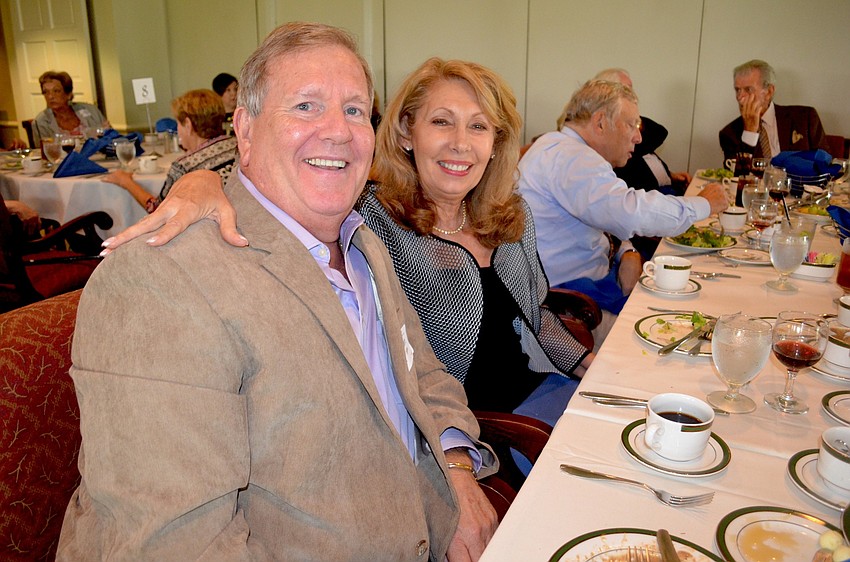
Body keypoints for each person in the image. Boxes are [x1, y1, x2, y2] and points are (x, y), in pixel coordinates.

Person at [58, 22, 497, 561]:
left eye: (355, 109)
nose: (338, 130)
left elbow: (425, 375)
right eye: (306, 106)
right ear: (244, 130)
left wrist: (457, 470)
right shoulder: (161, 281)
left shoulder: (363, 245)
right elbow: (178, 544)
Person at [97, 57, 596, 427]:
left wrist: (585, 364)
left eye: (479, 127)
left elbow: (535, 313)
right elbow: (280, 174)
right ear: (406, 132)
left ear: (496, 143)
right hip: (473, 425)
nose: (461, 144)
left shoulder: (510, 216)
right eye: (441, 122)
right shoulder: (370, 218)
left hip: (538, 389)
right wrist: (199, 181)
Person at [517, 79, 727, 343]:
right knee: (677, 336)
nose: (638, 137)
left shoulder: (558, 146)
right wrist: (703, 204)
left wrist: (627, 251)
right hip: (570, 309)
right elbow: (629, 212)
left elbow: (605, 214)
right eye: (632, 125)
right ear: (601, 122)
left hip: (577, 292)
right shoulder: (574, 158)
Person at [594, 68, 693, 260]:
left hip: (665, 202)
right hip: (651, 218)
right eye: (627, 90)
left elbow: (659, 133)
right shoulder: (611, 147)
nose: (637, 138)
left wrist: (670, 175)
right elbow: (622, 212)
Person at [100, 89, 237, 213]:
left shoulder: (184, 166)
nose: (178, 130)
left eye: (178, 123)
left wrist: (126, 182)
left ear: (188, 125)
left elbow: (159, 210)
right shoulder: (236, 146)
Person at [594, 68, 691, 196]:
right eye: (626, 89)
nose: (633, 94)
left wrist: (670, 175)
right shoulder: (611, 136)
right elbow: (658, 134)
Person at [719, 59, 829, 161]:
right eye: (737, 90)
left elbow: (826, 164)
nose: (740, 97)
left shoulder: (805, 118)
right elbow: (736, 176)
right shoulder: (729, 133)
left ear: (769, 92)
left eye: (748, 89)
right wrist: (750, 131)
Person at [32, 71, 109, 147]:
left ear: (68, 94)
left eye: (56, 91)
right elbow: (43, 153)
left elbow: (109, 137)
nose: (50, 96)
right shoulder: (41, 122)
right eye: (46, 92)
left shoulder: (90, 110)